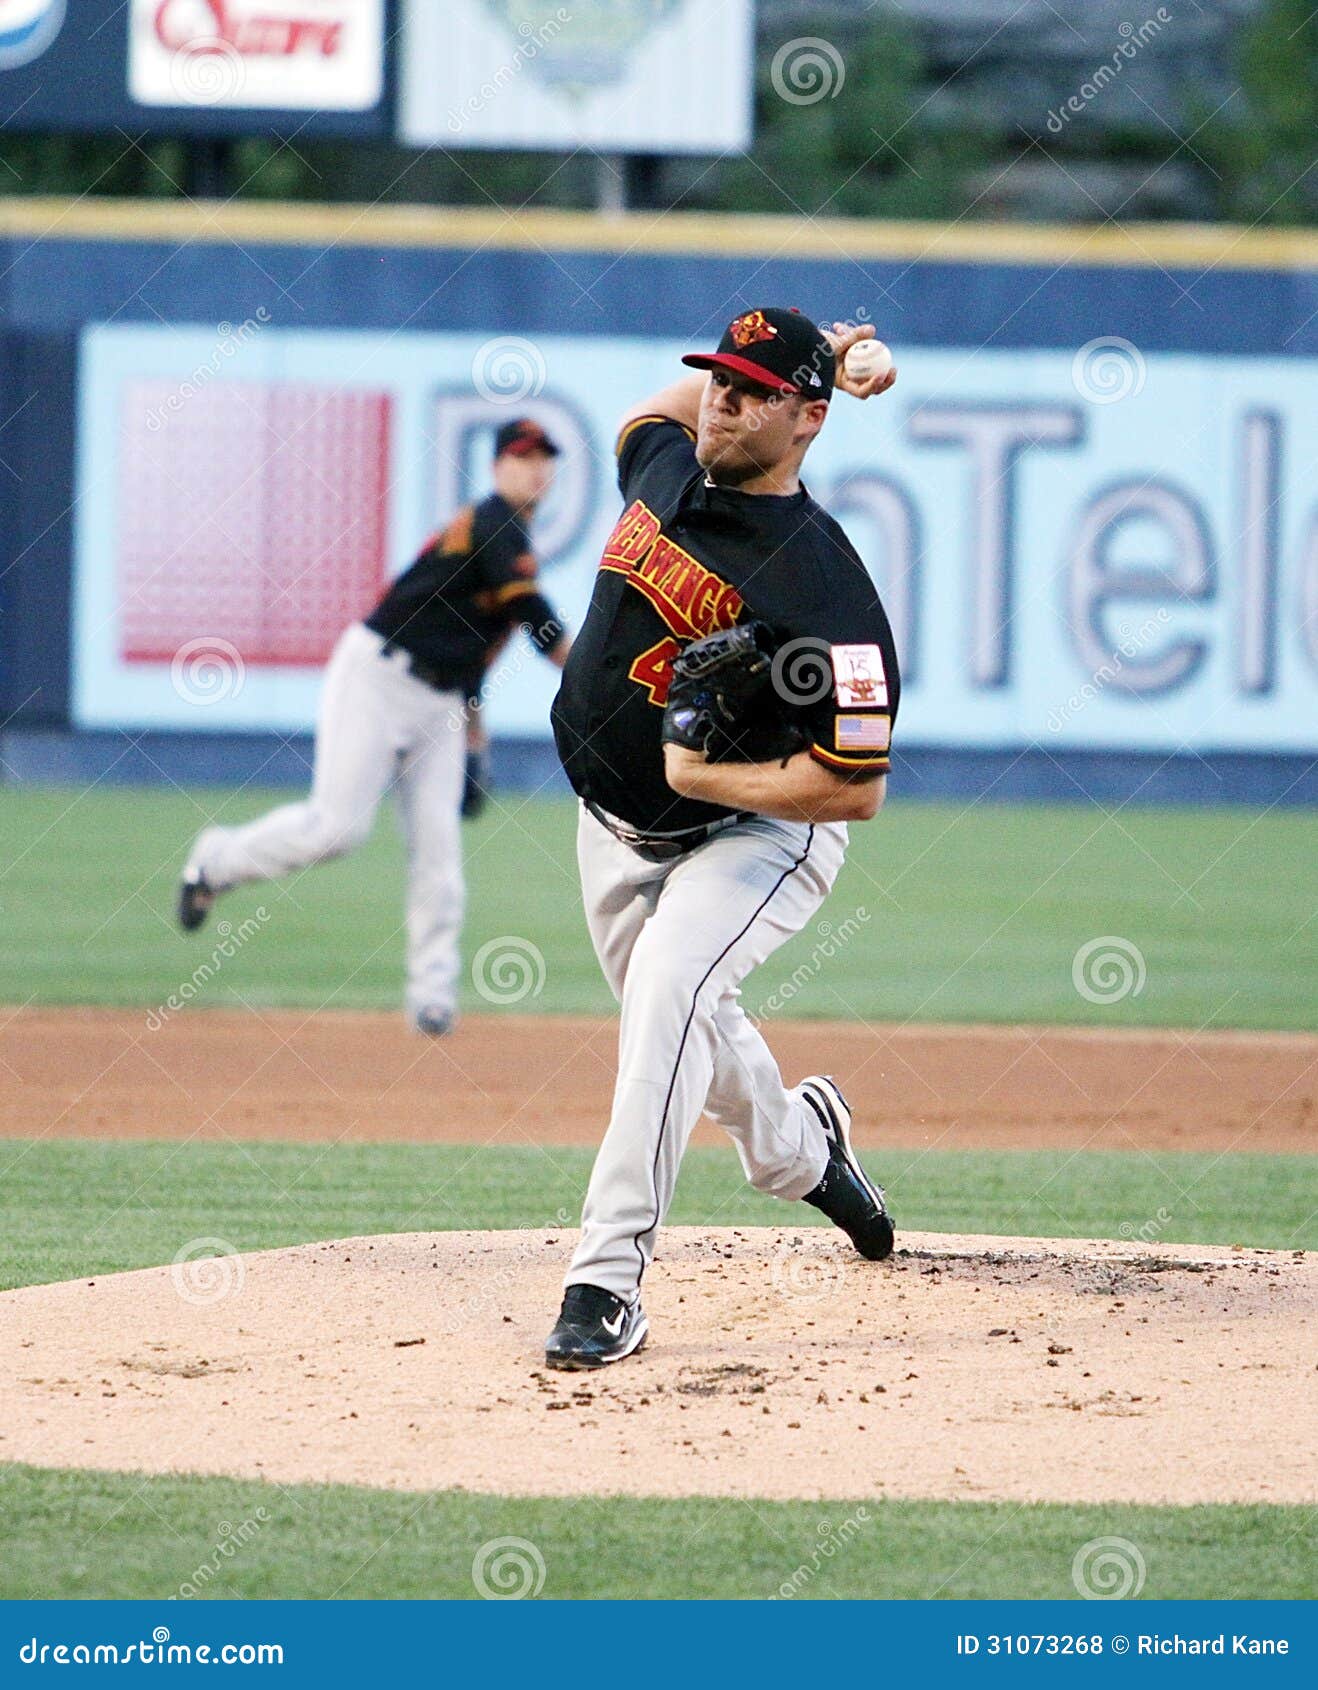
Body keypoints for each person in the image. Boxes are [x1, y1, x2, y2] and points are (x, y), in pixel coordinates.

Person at [545, 307, 900, 1368]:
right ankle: (804, 1151)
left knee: (667, 994)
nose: (722, 401)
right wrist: (818, 355)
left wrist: (712, 776)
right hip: (609, 827)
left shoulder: (827, 588)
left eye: (751, 390)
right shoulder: (667, 463)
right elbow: (653, 408)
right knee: (693, 1022)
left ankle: (604, 1279)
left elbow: (857, 782)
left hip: (758, 830)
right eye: (719, 380)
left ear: (808, 421)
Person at [177, 417, 571, 1034]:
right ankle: (216, 860)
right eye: (523, 456)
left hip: (439, 703)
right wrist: (585, 673)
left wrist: (475, 739)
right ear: (497, 467)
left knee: (439, 850)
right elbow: (532, 614)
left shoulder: (508, 543)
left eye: (546, 458)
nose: (536, 468)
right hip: (378, 677)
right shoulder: (494, 522)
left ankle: (432, 995)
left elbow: (472, 658)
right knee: (334, 830)